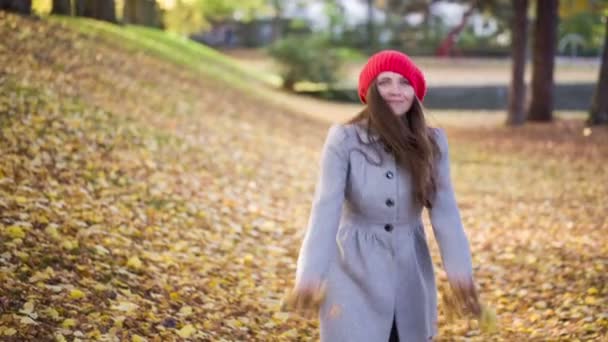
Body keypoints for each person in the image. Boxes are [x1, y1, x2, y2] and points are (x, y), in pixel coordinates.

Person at [288, 50, 481, 341]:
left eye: (404, 83)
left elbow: (445, 213)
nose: (395, 91)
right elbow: (324, 210)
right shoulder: (344, 139)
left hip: (410, 271)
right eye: (385, 82)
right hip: (352, 273)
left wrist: (461, 274)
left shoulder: (433, 142)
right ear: (370, 91)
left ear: (415, 92)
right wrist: (309, 275)